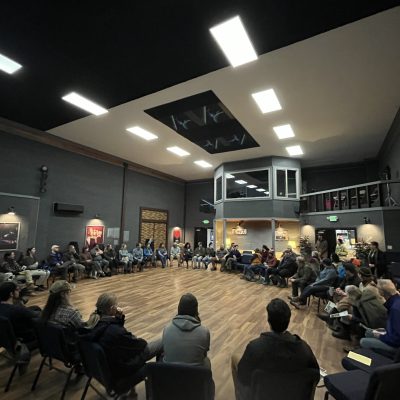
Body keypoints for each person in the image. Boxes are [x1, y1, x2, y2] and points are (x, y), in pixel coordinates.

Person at [232, 298, 319, 400]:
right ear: (288, 320)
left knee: (235, 358)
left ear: (269, 321)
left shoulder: (255, 347)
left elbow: (243, 377)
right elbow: (315, 376)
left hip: (263, 395)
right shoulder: (304, 349)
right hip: (295, 395)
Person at [80, 293, 163, 394]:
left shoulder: (91, 324)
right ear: (112, 308)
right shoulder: (114, 331)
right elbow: (140, 346)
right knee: (163, 343)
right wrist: (139, 340)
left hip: (103, 372)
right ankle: (162, 381)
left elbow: (116, 336)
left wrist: (118, 319)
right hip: (122, 374)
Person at [162, 293, 211, 368]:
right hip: (195, 373)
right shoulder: (204, 332)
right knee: (207, 361)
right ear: (196, 311)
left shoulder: (167, 329)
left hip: (170, 373)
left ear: (179, 309)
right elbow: (204, 354)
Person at [360, 279, 400, 355]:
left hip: (396, 347)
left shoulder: (395, 308)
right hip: (392, 337)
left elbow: (396, 339)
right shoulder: (396, 301)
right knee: (369, 332)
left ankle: (368, 359)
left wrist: (381, 336)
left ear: (381, 292)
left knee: (363, 341)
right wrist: (385, 330)